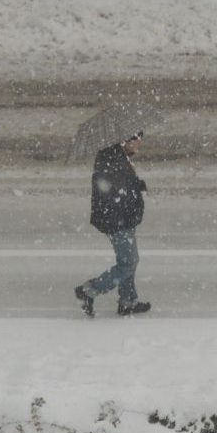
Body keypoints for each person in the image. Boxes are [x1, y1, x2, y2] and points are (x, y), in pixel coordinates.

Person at [74, 131, 152, 317]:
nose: (139, 145)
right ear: (125, 140)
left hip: (122, 217)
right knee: (129, 263)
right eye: (136, 141)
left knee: (127, 261)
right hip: (118, 220)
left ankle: (128, 301)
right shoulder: (112, 158)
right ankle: (89, 290)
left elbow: (121, 185)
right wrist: (134, 190)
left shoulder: (116, 156)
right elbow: (113, 191)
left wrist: (137, 185)